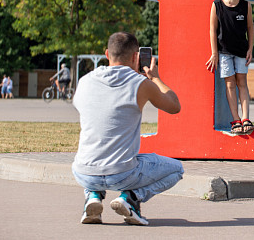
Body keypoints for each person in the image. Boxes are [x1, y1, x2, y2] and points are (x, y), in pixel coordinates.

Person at [72, 32, 183, 226]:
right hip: (121, 173)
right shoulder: (141, 84)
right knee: (177, 169)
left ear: (107, 54)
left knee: (95, 154)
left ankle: (92, 195)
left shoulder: (85, 81)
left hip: (84, 171)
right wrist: (155, 78)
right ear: (136, 57)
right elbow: (174, 106)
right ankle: (131, 198)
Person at [205, 0, 254, 135]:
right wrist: (214, 53)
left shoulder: (246, 5)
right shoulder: (217, 5)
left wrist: (250, 48)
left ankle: (246, 118)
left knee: (242, 82)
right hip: (224, 52)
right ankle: (235, 120)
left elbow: (250, 28)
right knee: (229, 84)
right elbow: (212, 29)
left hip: (241, 50)